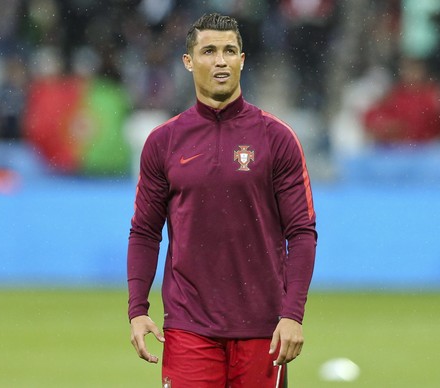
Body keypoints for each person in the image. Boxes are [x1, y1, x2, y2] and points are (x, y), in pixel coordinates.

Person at [127, 13, 317, 387]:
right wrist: (138, 309)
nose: (220, 60)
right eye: (209, 50)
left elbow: (302, 232)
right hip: (188, 328)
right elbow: (145, 232)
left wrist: (292, 314)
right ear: (188, 61)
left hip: (264, 328)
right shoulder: (163, 143)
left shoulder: (276, 138)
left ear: (242, 60)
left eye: (230, 51)